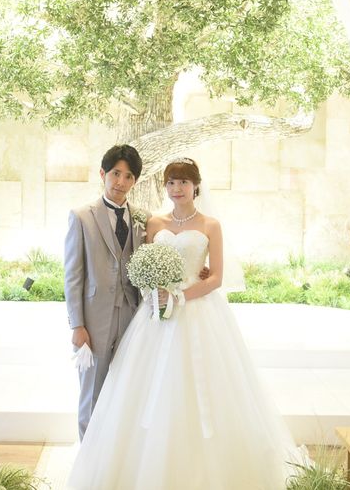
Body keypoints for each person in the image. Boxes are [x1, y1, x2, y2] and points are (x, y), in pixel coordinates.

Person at [67, 157, 298, 490]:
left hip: (198, 312)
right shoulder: (153, 223)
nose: (177, 189)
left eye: (184, 182)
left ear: (196, 186)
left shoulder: (211, 225)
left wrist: (180, 296)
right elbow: (142, 266)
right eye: (171, 183)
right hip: (155, 317)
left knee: (203, 385)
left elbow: (216, 277)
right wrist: (155, 293)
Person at [64, 144, 147, 440]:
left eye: (128, 176)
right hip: (94, 321)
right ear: (103, 174)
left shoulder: (143, 219)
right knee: (92, 393)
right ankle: (88, 457)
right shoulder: (81, 217)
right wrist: (77, 325)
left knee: (127, 391)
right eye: (115, 174)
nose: (121, 182)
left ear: (135, 181)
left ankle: (117, 453)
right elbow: (73, 276)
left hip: (133, 317)